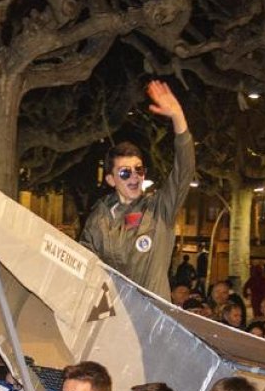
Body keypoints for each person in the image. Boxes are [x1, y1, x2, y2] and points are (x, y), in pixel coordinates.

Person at [79, 80, 194, 300]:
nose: (134, 177)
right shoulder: (99, 218)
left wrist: (178, 117)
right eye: (125, 173)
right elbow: (84, 264)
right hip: (114, 317)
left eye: (138, 170)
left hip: (153, 319)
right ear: (111, 180)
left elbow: (183, 172)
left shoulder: (159, 210)